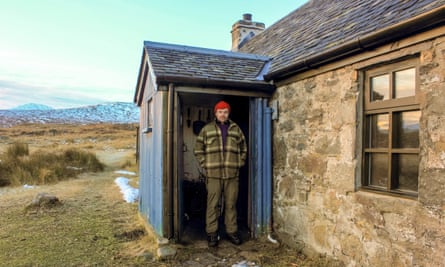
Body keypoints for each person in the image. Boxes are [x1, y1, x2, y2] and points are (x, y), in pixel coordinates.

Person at [194, 100, 247, 247]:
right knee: (213, 204)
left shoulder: (236, 129)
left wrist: (239, 163)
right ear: (215, 113)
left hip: (232, 174)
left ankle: (232, 231)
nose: (222, 114)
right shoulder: (207, 129)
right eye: (220, 112)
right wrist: (206, 164)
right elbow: (198, 150)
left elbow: (244, 149)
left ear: (228, 113)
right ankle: (212, 233)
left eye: (225, 112)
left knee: (231, 204)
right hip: (213, 174)